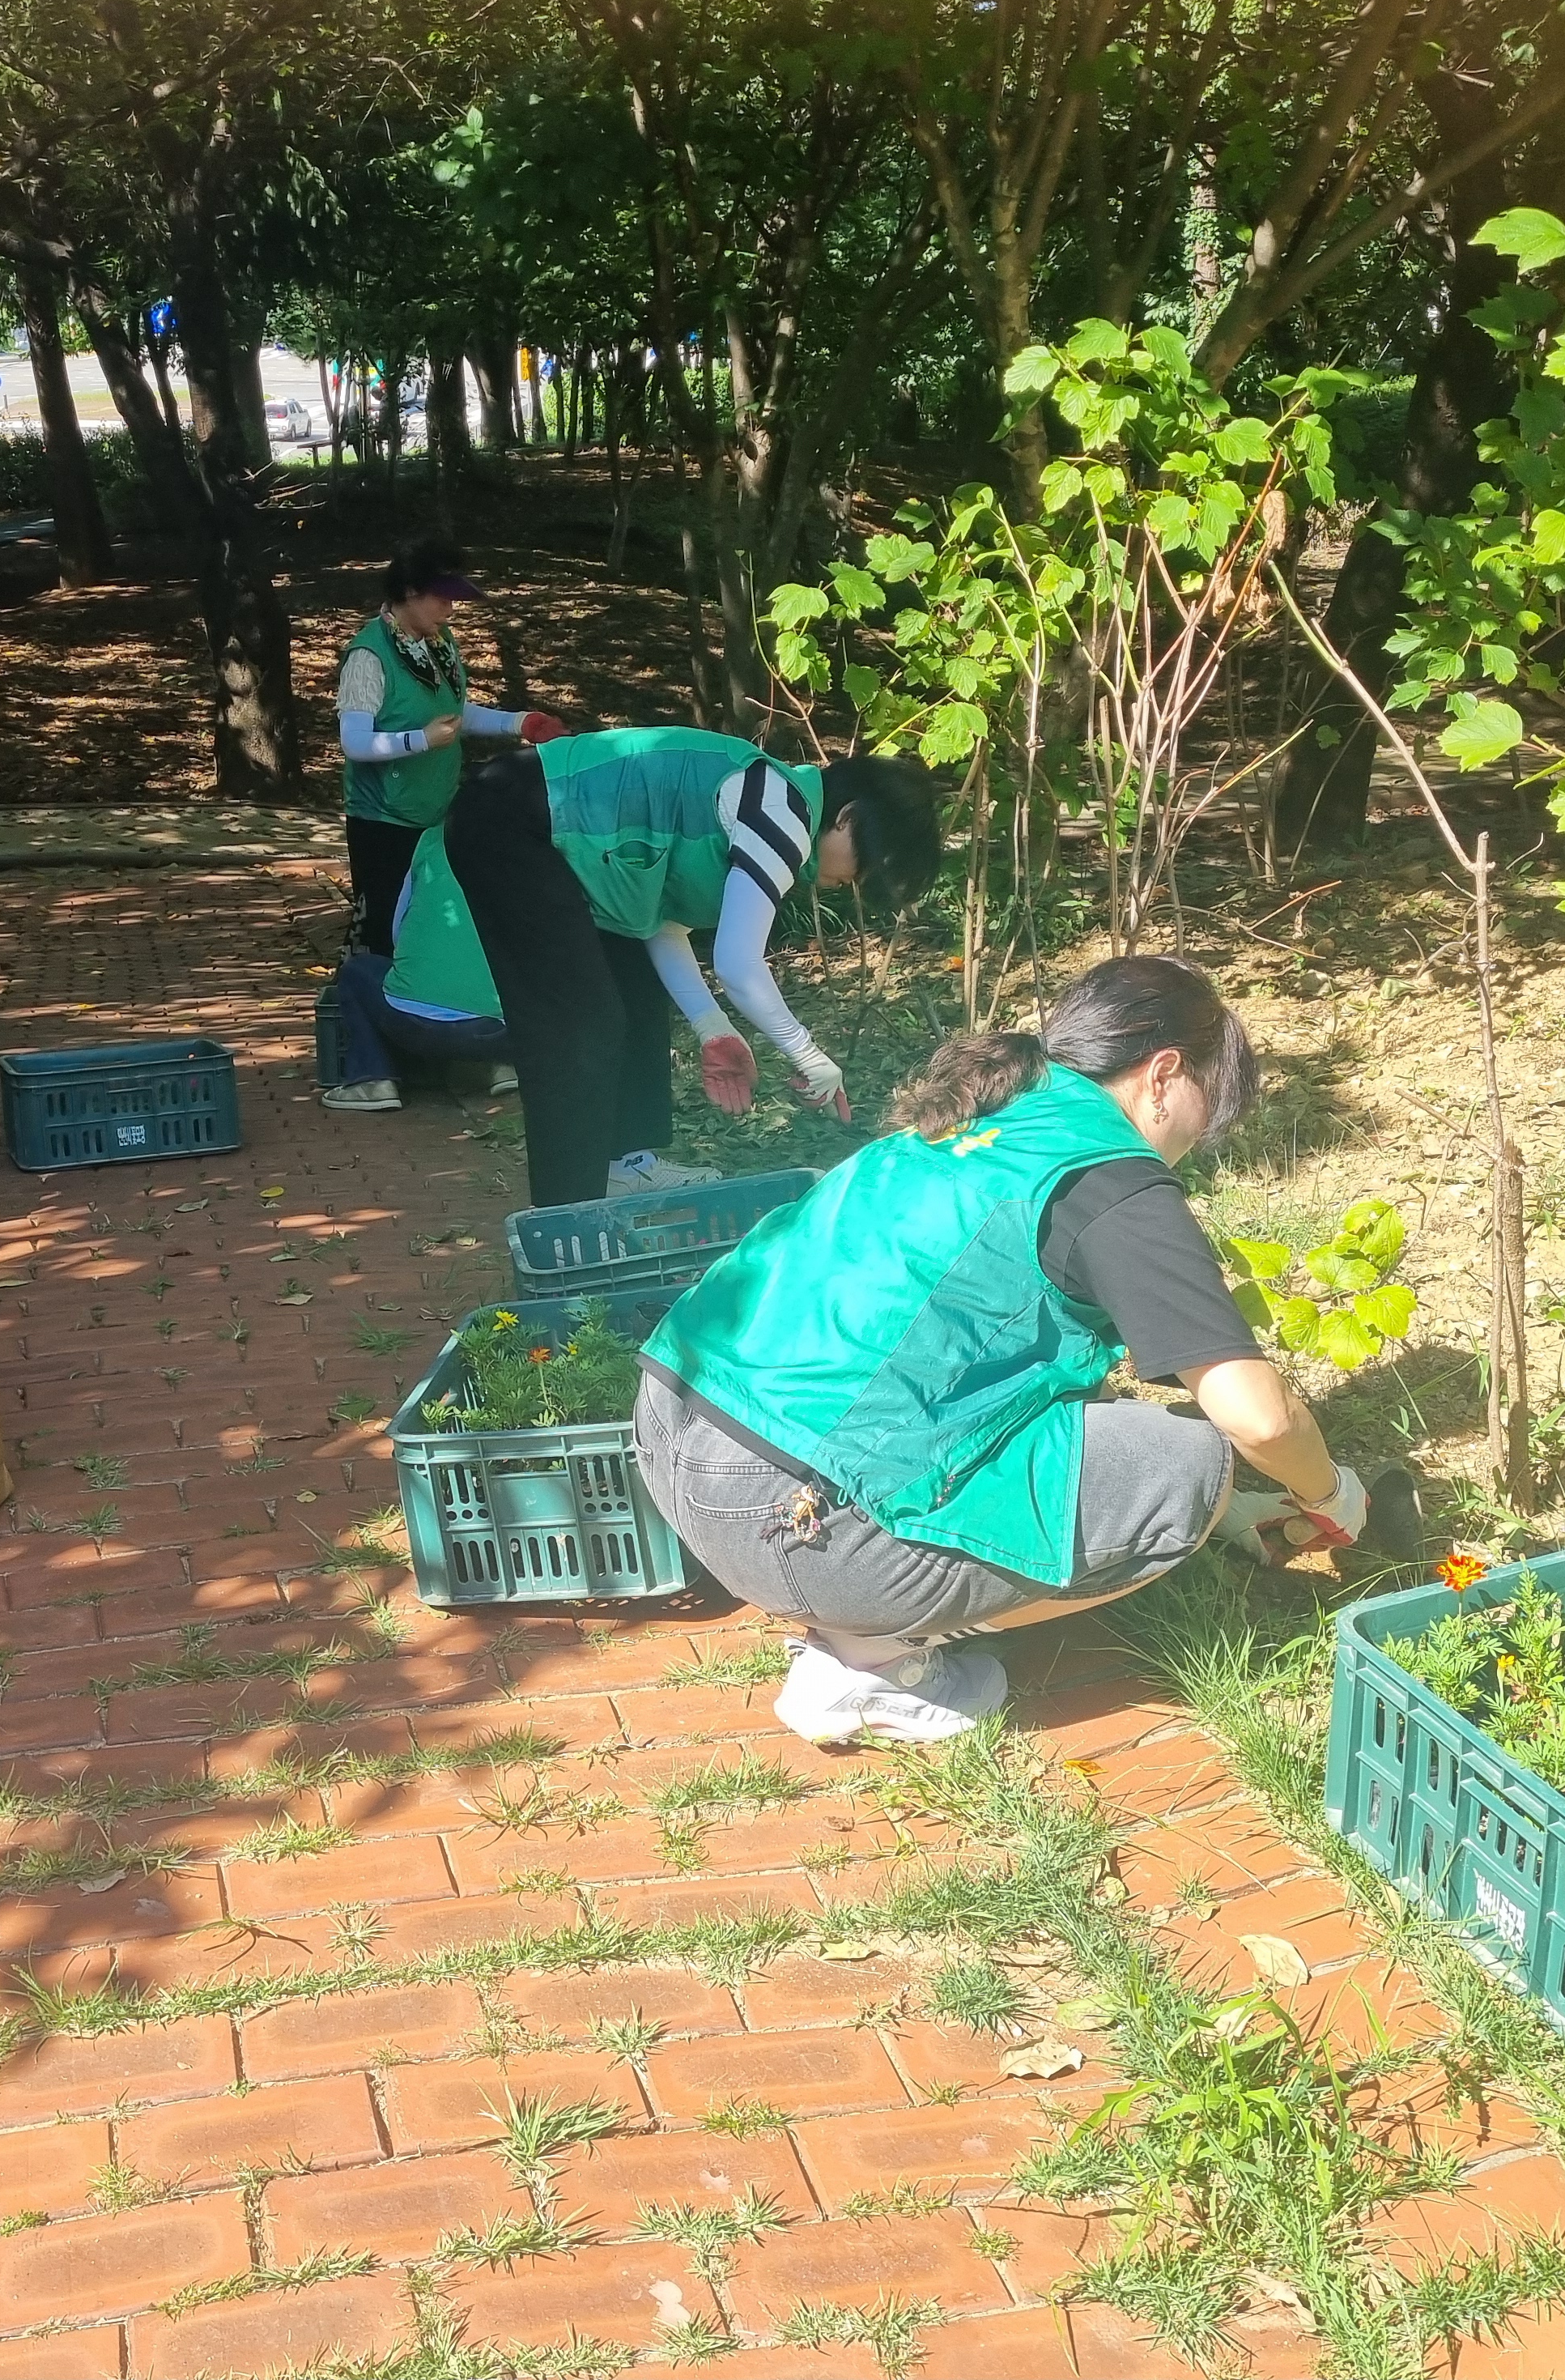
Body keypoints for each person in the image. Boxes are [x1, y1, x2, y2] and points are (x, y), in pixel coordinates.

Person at [632, 955, 1372, 1746]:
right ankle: (873, 1660)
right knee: (1192, 1462)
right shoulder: (1108, 1176)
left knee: (1092, 1423)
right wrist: (1331, 1494)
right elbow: (1257, 1419)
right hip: (791, 1519)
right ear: (1164, 1074)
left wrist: (1238, 1513)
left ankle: (866, 1612)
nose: (1198, 1140)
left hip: (672, 1447)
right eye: (1207, 1107)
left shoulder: (981, 1117)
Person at [391, 727, 942, 1207]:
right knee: (579, 1029)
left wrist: (711, 1026)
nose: (855, 883)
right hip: (510, 817)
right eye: (864, 866)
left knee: (633, 996)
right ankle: (566, 1220)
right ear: (847, 818)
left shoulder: (775, 799)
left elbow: (656, 923)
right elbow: (738, 964)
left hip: (534, 826)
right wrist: (806, 1053)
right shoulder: (782, 810)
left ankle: (623, 1168)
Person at [337, 539, 559, 954]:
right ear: (408, 592)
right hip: (383, 822)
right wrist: (421, 740)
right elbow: (354, 742)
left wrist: (519, 723)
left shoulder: (439, 642)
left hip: (435, 811)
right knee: (383, 933)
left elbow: (455, 712)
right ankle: (362, 1010)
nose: (451, 609)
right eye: (442, 597)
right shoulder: (368, 655)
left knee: (429, 927)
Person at [319, 864, 517, 1114]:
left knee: (356, 971)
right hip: (500, 1032)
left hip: (413, 1025)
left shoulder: (430, 843)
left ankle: (373, 1080)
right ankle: (500, 1067)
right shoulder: (525, 845)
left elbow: (399, 934)